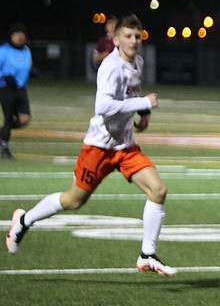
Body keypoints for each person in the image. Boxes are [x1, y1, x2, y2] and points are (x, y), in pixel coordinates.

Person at [6, 15, 176, 276]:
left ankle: (146, 255)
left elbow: (130, 93)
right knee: (73, 200)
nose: (133, 41)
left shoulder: (137, 61)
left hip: (125, 146)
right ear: (116, 39)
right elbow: (104, 107)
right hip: (99, 146)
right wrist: (143, 103)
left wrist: (144, 114)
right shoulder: (110, 67)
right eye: (128, 36)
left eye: (137, 37)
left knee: (158, 190)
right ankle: (24, 220)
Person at [0, 22, 33, 160]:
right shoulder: (3, 50)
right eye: (17, 33)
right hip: (5, 88)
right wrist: (4, 77)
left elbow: (28, 66)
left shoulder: (26, 50)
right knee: (9, 118)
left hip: (20, 88)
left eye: (22, 34)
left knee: (25, 119)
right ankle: (5, 149)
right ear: (11, 35)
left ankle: (2, 132)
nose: (20, 36)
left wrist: (32, 72)